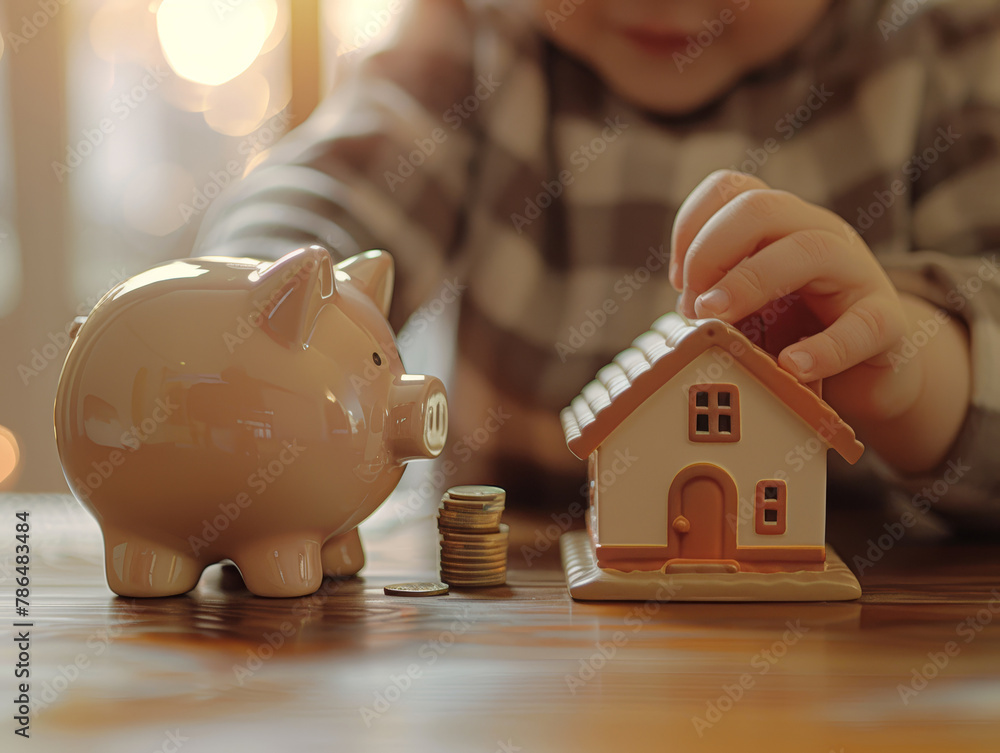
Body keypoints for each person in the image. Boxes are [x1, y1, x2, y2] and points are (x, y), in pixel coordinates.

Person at [194, 0, 1000, 529]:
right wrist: (251, 297)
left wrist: (918, 370)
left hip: (855, 659)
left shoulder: (947, 45)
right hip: (514, 646)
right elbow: (330, 194)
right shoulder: (475, 34)